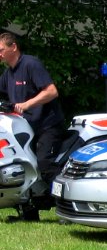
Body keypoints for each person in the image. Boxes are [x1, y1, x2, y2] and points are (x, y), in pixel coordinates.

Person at [0, 31, 66, 209]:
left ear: (13, 47)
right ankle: (28, 209)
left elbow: (52, 91)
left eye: (1, 50)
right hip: (26, 128)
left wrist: (28, 104)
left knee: (44, 164)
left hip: (48, 125)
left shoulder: (31, 64)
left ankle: (66, 204)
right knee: (22, 164)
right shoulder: (8, 73)